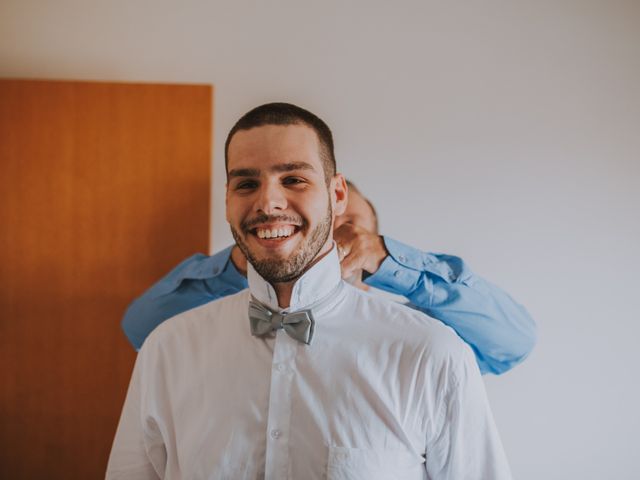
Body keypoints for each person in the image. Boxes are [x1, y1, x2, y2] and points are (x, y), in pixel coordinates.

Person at [107, 102, 512, 478]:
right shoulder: (167, 350)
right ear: (228, 198)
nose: (269, 203)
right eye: (246, 184)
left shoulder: (430, 352)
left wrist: (388, 259)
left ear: (337, 197)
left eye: (294, 179)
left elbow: (512, 341)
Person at [121, 181, 535, 376]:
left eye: (348, 225)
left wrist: (394, 264)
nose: (328, 237)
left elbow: (511, 343)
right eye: (321, 223)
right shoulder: (218, 326)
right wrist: (242, 261)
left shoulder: (414, 339)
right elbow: (140, 329)